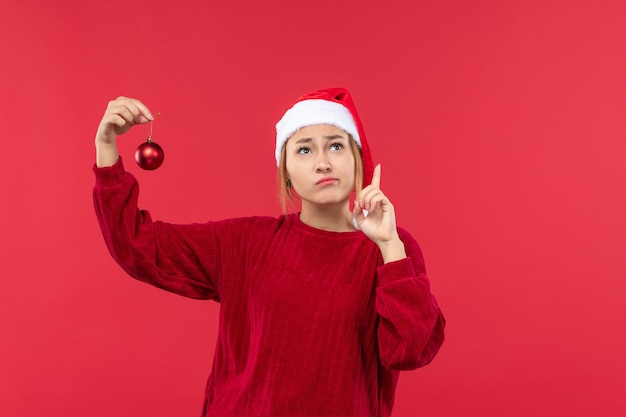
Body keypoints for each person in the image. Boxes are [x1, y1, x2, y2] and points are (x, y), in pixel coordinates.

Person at [93, 87, 445, 417]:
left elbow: (411, 348)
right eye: (304, 149)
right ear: (287, 172)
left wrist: (389, 246)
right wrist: (106, 146)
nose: (323, 162)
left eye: (336, 146)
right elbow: (137, 245)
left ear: (357, 158)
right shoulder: (246, 242)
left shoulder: (392, 248)